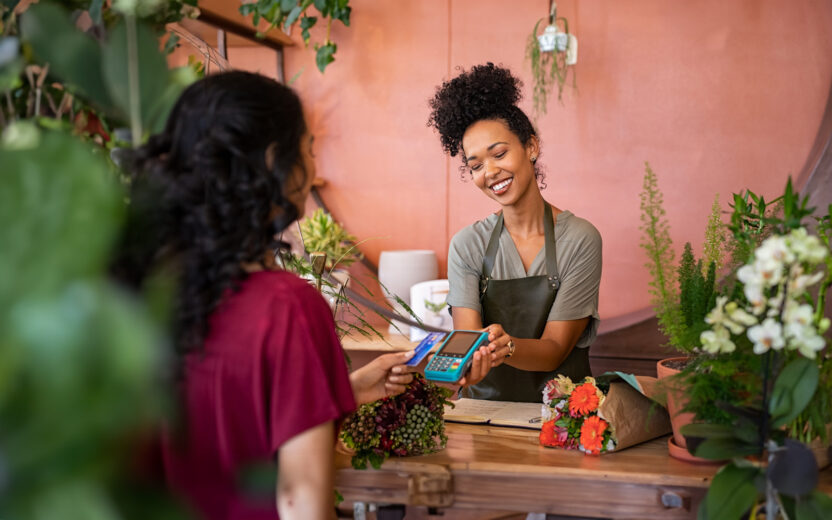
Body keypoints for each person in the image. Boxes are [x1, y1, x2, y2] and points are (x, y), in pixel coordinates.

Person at [114, 70, 414, 520]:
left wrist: (345, 391)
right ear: (277, 161)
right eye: (309, 148)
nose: (313, 168)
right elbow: (300, 500)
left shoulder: (132, 293)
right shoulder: (287, 307)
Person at [427, 63, 602, 403]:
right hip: (486, 416)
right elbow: (467, 339)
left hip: (564, 416)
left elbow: (554, 349)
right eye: (475, 165)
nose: (490, 172)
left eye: (499, 153)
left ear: (531, 147)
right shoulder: (467, 245)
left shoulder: (580, 239)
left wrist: (505, 346)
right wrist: (469, 364)